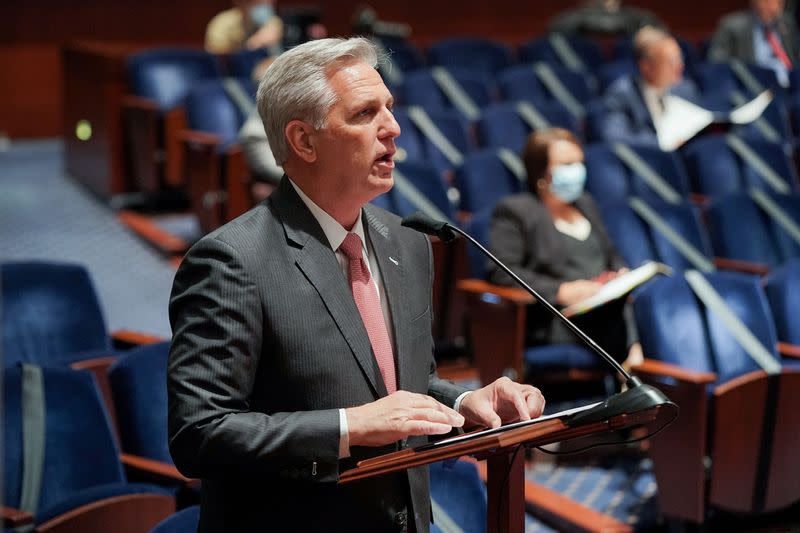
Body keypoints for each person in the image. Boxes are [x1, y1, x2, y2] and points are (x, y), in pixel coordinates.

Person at [167, 37, 545, 533]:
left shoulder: (405, 242)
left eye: (389, 108)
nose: (393, 127)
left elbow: (400, 384)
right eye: (366, 113)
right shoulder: (232, 261)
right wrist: (349, 427)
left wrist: (461, 402)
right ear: (303, 141)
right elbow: (200, 432)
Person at [488, 128, 641, 367]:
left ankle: (634, 370)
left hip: (602, 310)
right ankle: (634, 370)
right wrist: (562, 290)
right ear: (540, 170)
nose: (577, 171)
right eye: (567, 164)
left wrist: (620, 275)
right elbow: (501, 271)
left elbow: (611, 254)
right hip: (556, 317)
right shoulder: (516, 211)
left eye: (580, 162)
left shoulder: (585, 204)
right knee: (627, 328)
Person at [601, 26, 700, 146]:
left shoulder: (685, 89)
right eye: (670, 61)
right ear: (646, 66)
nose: (679, 66)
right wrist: (664, 142)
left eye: (679, 58)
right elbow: (615, 138)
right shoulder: (621, 94)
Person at [708, 0, 799, 87]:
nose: (774, 7)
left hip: (791, 86)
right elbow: (717, 62)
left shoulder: (787, 25)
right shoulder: (733, 26)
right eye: (767, 1)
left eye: (779, 2)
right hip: (756, 87)